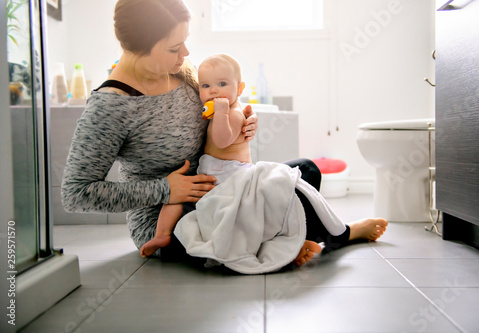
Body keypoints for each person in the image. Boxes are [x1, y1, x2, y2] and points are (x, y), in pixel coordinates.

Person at [61, 0, 387, 263]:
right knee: (287, 198)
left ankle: (287, 242)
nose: (186, 54)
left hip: (222, 190)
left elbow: (221, 106)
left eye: (185, 42)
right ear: (139, 47)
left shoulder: (184, 73)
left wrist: (244, 118)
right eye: (175, 47)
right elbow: (75, 193)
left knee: (307, 171)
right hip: (171, 221)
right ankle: (331, 236)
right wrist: (165, 190)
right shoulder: (110, 107)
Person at [140, 54, 323, 265]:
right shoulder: (219, 109)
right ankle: (161, 234)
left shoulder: (232, 113)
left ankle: (292, 239)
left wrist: (222, 113)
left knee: (185, 201)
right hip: (212, 176)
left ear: (239, 88)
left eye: (222, 84)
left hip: (229, 178)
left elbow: (222, 139)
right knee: (176, 198)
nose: (213, 90)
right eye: (206, 85)